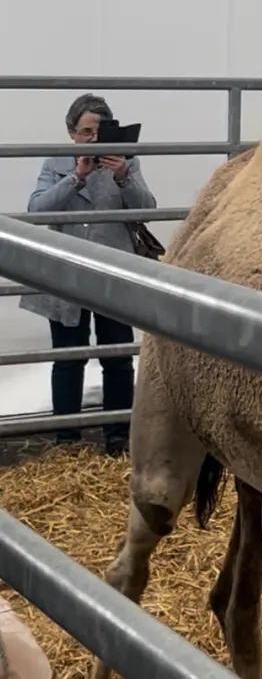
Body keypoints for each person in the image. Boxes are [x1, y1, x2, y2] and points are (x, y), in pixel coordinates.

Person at [19, 93, 157, 456]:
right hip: (65, 275)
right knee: (68, 358)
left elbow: (148, 209)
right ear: (71, 133)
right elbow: (36, 209)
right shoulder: (56, 162)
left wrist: (124, 175)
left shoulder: (127, 163)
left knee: (117, 357)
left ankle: (118, 438)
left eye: (99, 131)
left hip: (112, 271)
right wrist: (75, 176)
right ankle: (66, 441)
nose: (93, 139)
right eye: (85, 131)